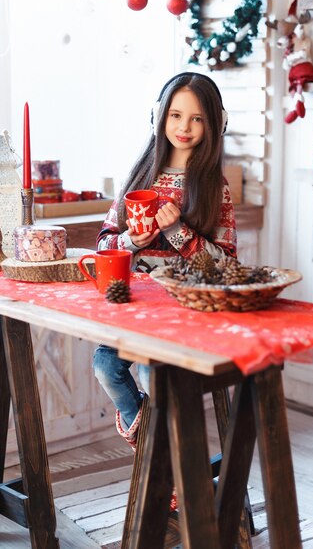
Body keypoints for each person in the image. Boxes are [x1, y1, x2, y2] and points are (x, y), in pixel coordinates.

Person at [93, 72, 237, 460]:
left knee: (151, 373)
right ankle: (162, 455)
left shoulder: (212, 186)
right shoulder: (138, 179)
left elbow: (225, 268)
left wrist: (177, 230)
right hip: (136, 309)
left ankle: (169, 470)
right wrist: (130, 242)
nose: (184, 127)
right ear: (159, 117)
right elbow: (104, 244)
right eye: (175, 115)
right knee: (105, 365)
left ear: (214, 123)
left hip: (182, 312)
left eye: (197, 118)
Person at [281, 22, 313, 124]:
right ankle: (294, 107)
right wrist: (287, 59)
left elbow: (304, 54)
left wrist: (291, 58)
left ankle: (298, 102)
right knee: (293, 86)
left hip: (303, 67)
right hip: (294, 70)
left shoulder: (305, 41)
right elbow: (285, 65)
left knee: (299, 82)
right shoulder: (290, 46)